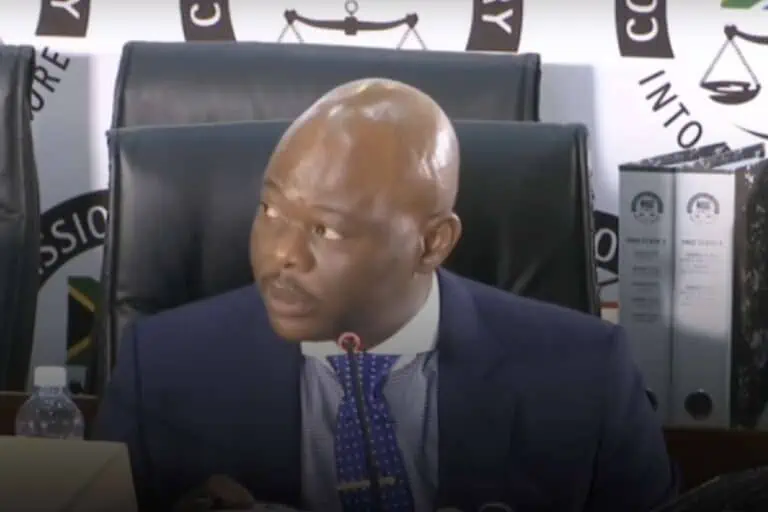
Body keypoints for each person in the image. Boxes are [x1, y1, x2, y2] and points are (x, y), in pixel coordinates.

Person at [94, 78, 677, 512]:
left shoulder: (584, 376)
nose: (282, 254)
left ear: (432, 244)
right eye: (270, 211)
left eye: (327, 230)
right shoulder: (163, 369)